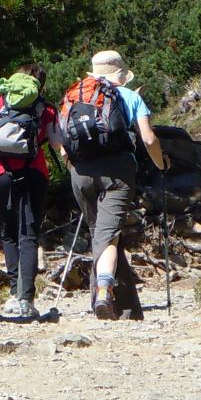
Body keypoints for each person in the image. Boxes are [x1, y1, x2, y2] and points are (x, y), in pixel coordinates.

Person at [60, 49, 167, 321]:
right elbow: (149, 139)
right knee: (107, 236)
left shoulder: (75, 95)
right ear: (121, 74)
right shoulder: (130, 97)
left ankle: (126, 309)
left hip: (80, 171)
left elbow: (63, 147)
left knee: (101, 233)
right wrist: (161, 165)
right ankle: (105, 290)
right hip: (118, 172)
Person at [0, 65, 64, 320]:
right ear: (40, 85)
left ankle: (13, 294)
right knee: (29, 233)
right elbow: (57, 143)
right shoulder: (46, 108)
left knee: (8, 231)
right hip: (34, 172)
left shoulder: (0, 100)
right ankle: (27, 298)